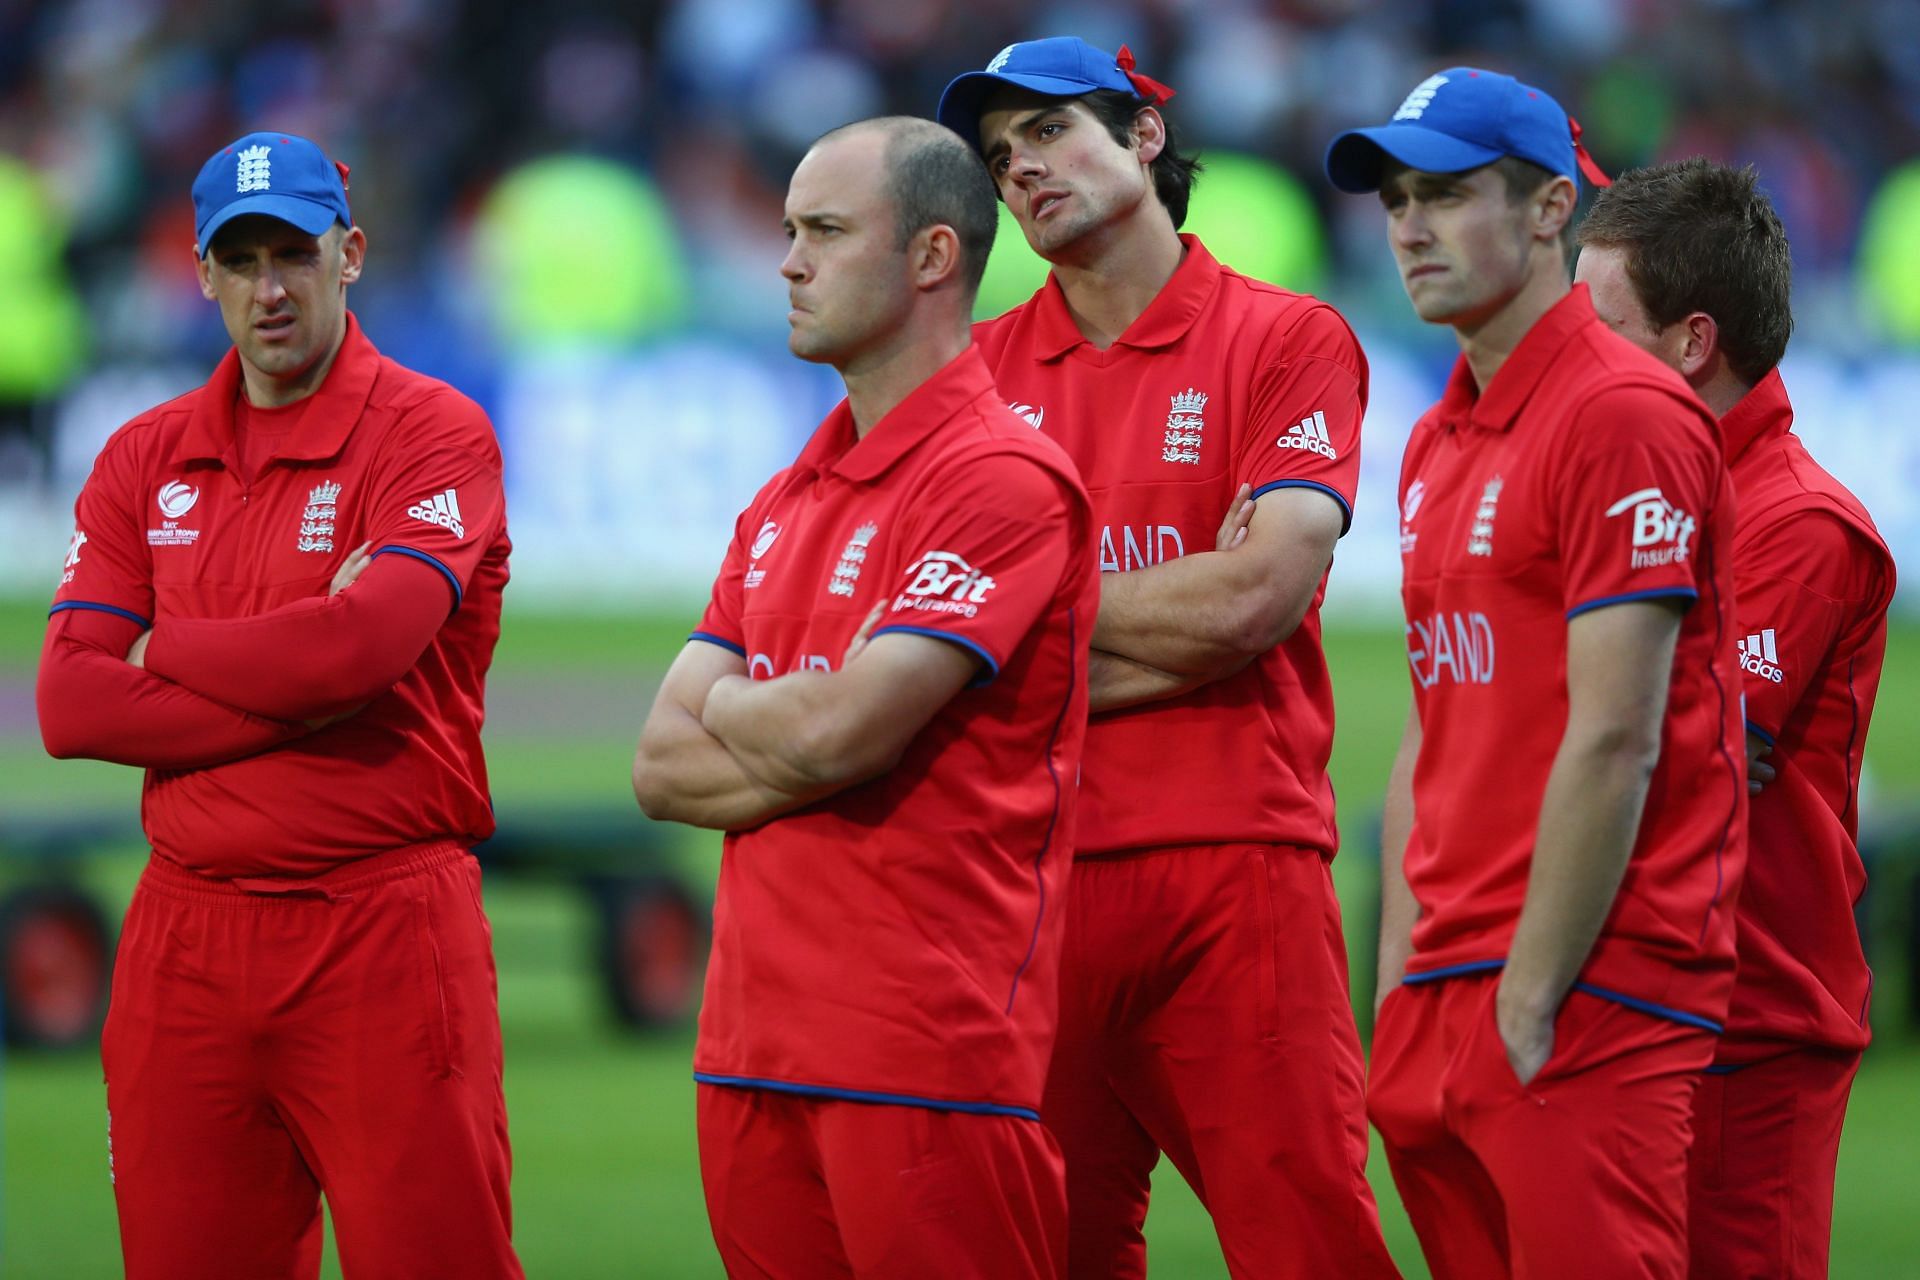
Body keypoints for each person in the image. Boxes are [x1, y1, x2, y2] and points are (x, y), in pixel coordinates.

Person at [938, 38, 1399, 1279]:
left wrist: (1028, 624)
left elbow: (1254, 595)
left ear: (1145, 134)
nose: (1022, 169)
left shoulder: (1287, 337)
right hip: (1028, 888)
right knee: (1053, 1248)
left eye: (1050, 132)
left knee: (1309, 1237)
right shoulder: (971, 376)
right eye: (999, 155)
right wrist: (1169, 616)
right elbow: (926, 643)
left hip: (1233, 870)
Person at [36, 133, 521, 1277]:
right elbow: (69, 705)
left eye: (294, 255)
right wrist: (305, 683)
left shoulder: (431, 431)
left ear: (349, 254)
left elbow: (360, 648)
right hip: (184, 940)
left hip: (381, 926)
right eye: (239, 259)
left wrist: (158, 648)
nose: (269, 288)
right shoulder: (140, 457)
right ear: (200, 272)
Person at [630, 116, 1097, 1278]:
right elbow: (659, 766)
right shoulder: (789, 489)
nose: (786, 260)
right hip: (749, 1050)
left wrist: (748, 702)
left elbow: (846, 728)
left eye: (824, 231)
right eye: (789, 231)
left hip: (924, 1057)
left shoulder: (1001, 477)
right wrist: (802, 722)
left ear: (934, 256)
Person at [1324, 70, 1746, 1278]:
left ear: (1554, 206)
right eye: (1398, 198)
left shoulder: (1624, 413)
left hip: (1585, 986)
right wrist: (1403, 981)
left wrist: (1529, 991)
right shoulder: (1436, 434)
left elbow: (1620, 735)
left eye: (1448, 195)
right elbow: (1436, 716)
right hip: (1450, 987)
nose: (1409, 226)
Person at [1575, 158, 1895, 1280]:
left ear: (1692, 343)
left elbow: (1675, 743)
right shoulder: (1651, 490)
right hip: (1649, 998)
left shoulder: (1801, 524)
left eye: (1598, 321)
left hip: (1749, 1022)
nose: (1571, 348)